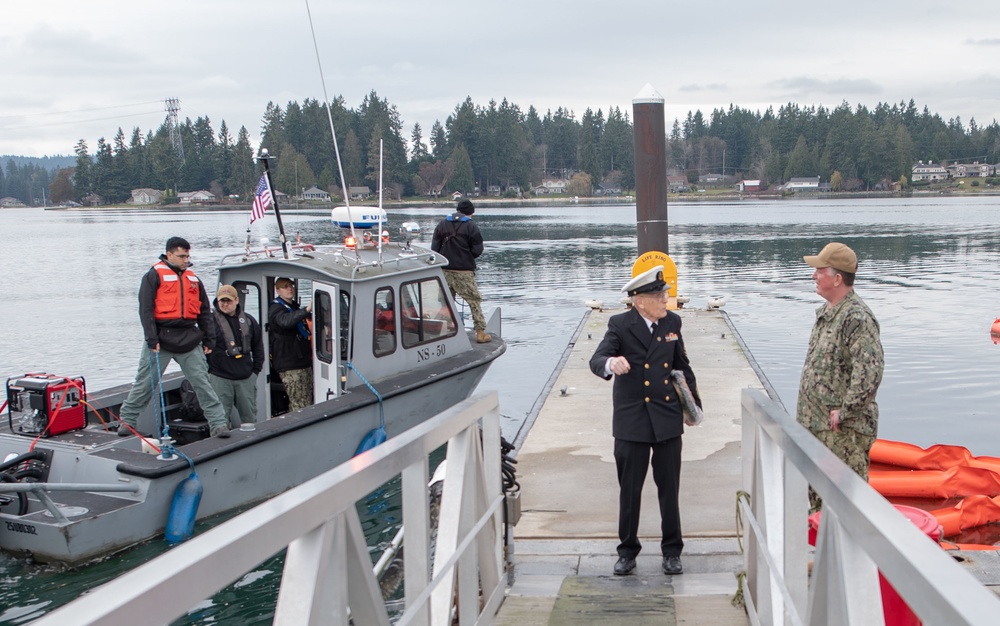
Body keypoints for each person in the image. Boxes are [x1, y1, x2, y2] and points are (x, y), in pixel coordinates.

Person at [589, 265, 701, 577]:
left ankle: (672, 551)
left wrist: (693, 408)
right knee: (630, 490)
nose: (666, 299)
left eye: (665, 294)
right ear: (640, 301)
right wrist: (612, 363)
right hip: (632, 420)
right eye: (660, 295)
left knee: (669, 488)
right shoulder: (620, 325)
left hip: (665, 418)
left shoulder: (673, 322)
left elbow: (682, 366)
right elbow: (596, 360)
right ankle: (627, 551)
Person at [798, 242, 884, 512]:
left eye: (819, 270)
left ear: (837, 278)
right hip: (817, 430)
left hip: (841, 435)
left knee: (846, 506)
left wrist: (845, 413)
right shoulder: (828, 314)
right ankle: (822, 552)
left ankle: (846, 555)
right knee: (819, 505)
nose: (814, 275)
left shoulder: (856, 317)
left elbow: (870, 371)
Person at [117, 236, 231, 438]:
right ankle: (127, 421)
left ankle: (218, 424)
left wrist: (209, 340)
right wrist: (152, 339)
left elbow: (205, 311)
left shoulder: (193, 279)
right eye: (181, 256)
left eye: (187, 256)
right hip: (161, 338)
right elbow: (146, 310)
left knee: (202, 383)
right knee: (145, 382)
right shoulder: (153, 276)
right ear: (169, 254)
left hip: (189, 337)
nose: (185, 260)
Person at [431, 197, 491, 343]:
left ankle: (443, 332)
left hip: (444, 270)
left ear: (457, 210)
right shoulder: (471, 226)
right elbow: (477, 250)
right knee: (474, 301)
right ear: (470, 213)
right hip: (464, 271)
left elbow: (435, 248)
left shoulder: (442, 224)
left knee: (445, 301)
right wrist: (466, 256)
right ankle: (480, 333)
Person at [207, 284, 264, 425]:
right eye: (222, 301)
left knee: (250, 417)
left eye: (229, 301)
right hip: (219, 377)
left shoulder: (249, 320)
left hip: (245, 378)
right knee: (220, 419)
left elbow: (258, 347)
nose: (225, 304)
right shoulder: (209, 322)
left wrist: (255, 371)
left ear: (237, 300)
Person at [269, 277, 313, 412]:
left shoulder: (293, 306)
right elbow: (285, 322)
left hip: (302, 360)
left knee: (306, 399)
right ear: (278, 290)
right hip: (289, 364)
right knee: (298, 402)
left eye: (291, 286)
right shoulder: (276, 309)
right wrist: (306, 310)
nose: (289, 289)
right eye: (285, 287)